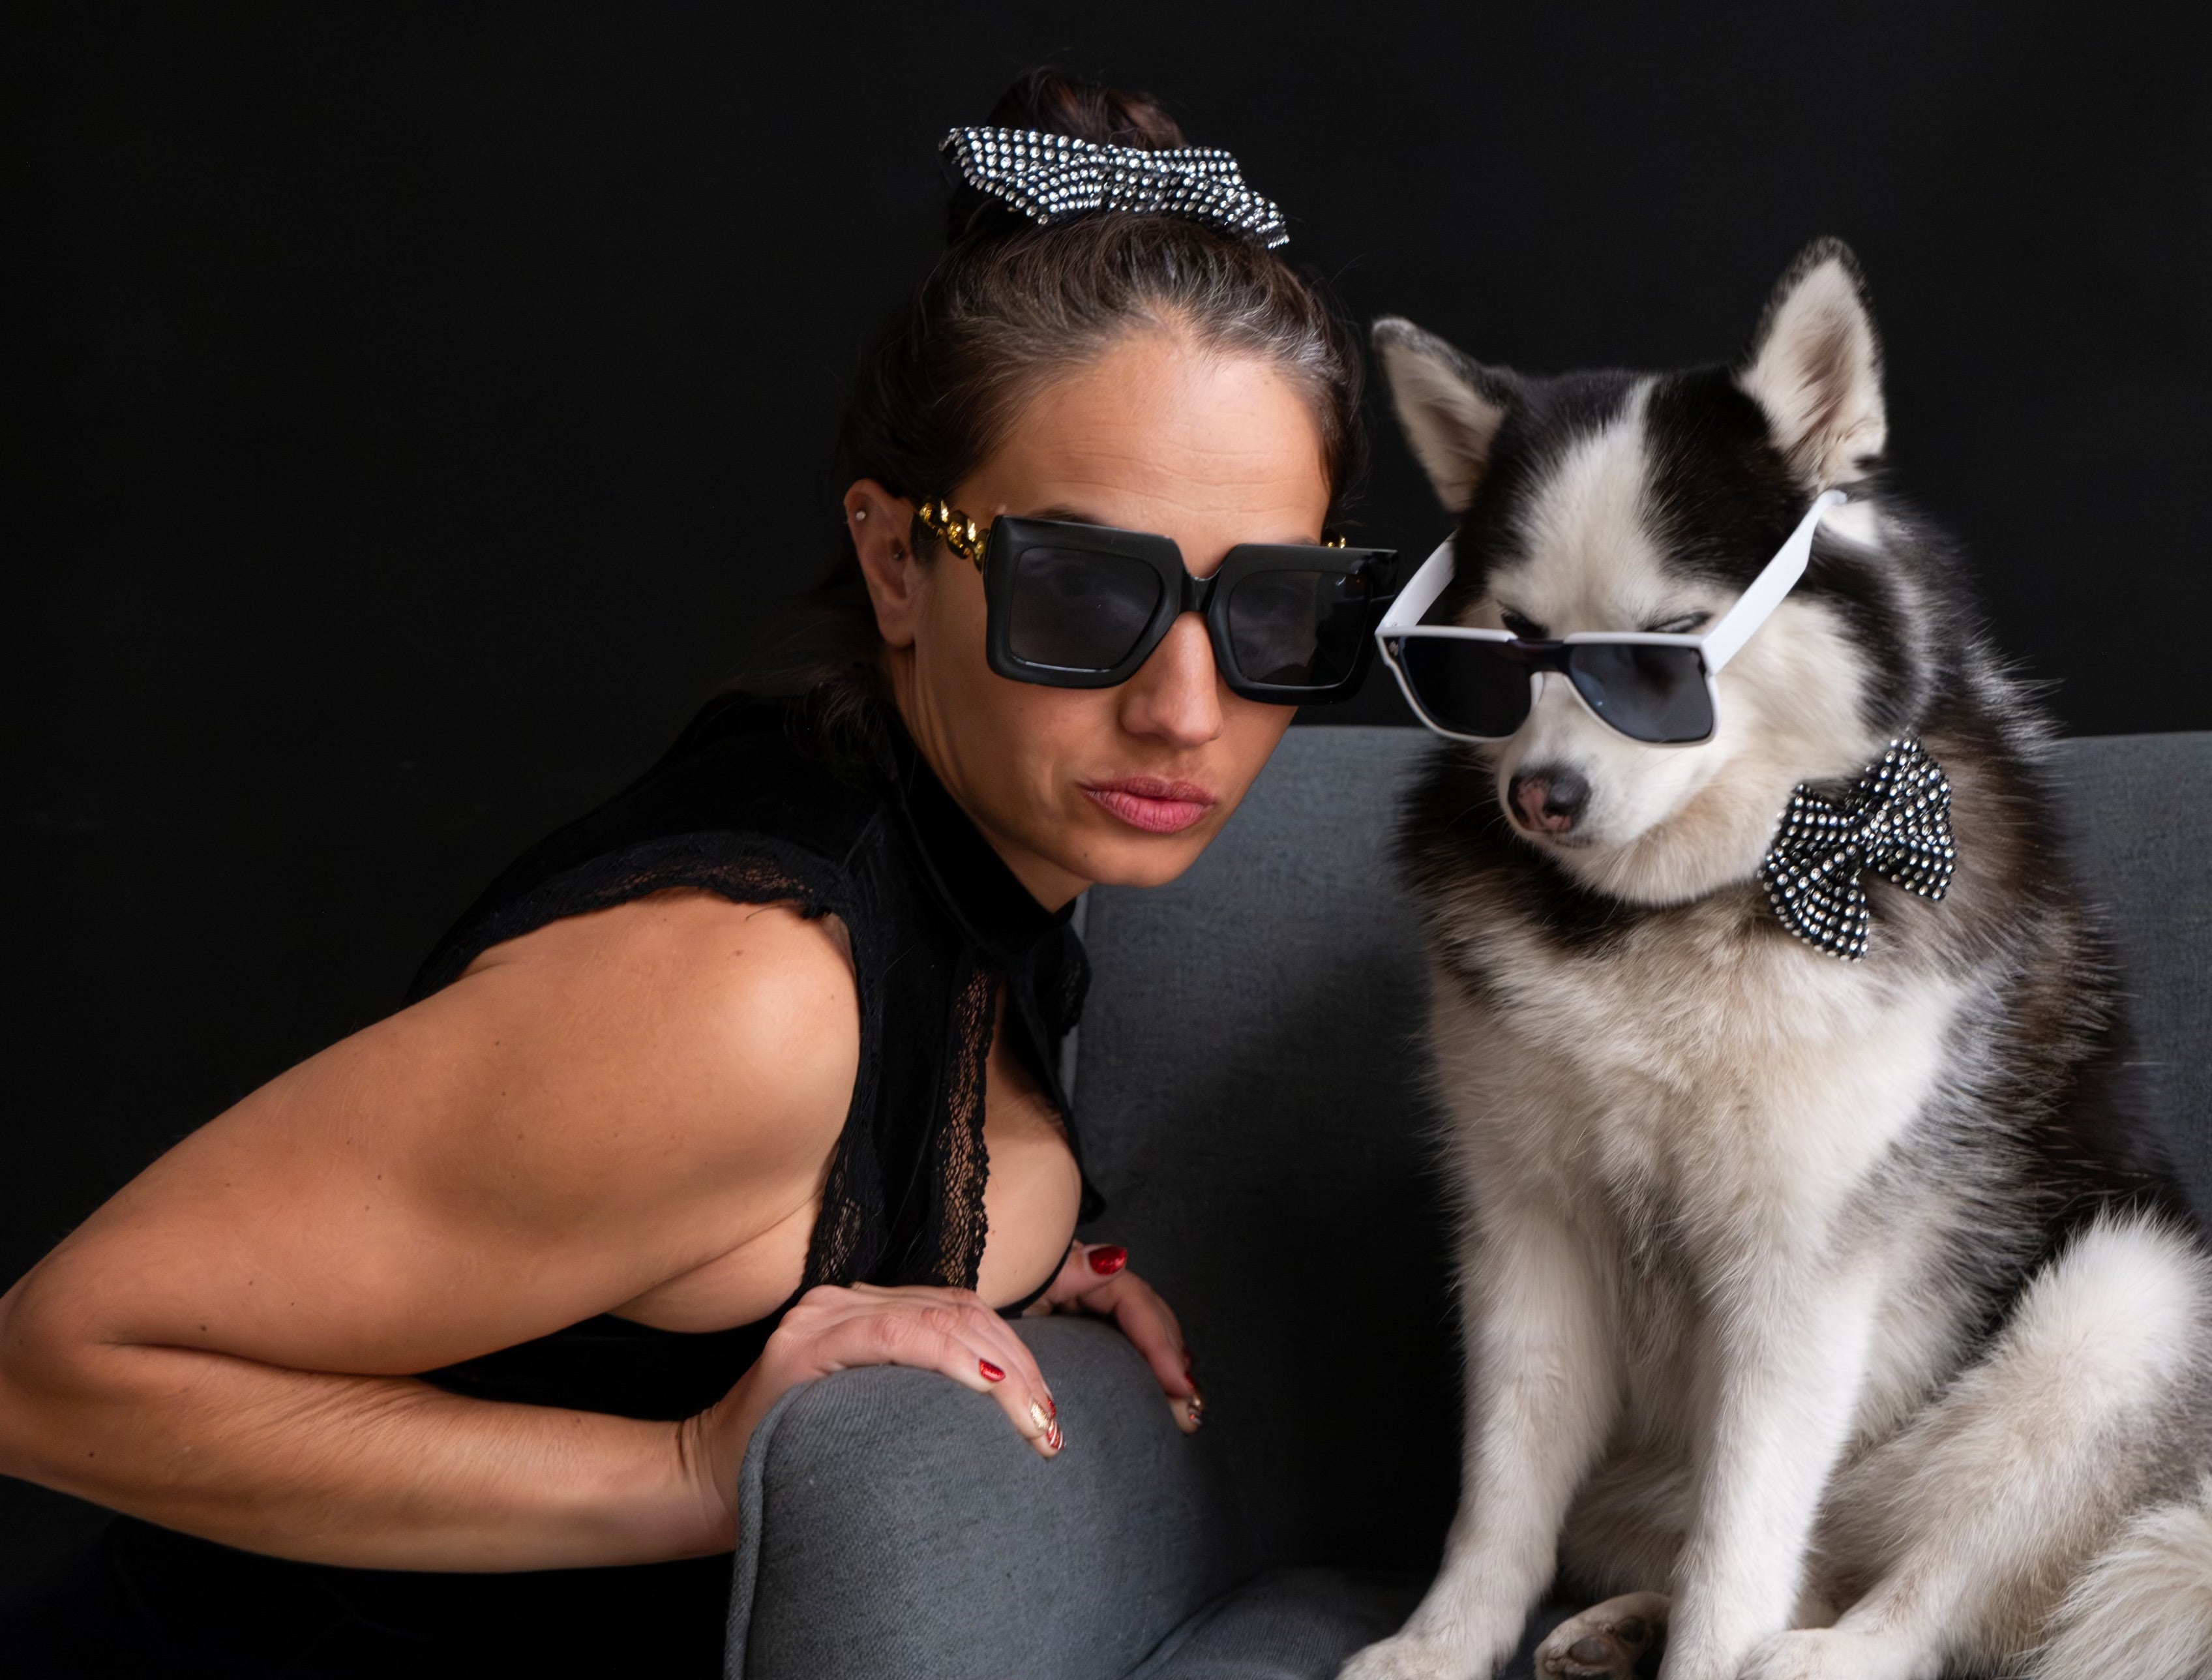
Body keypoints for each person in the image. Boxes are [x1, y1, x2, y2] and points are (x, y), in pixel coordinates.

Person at [0, 68, 1386, 1677]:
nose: (1188, 708)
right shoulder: (745, 997)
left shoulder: (980, 854)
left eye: (1272, 609)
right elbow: (45, 1371)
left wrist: (1012, 1258)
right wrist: (690, 1467)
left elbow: (698, 1246)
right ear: (896, 561)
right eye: (1082, 593)